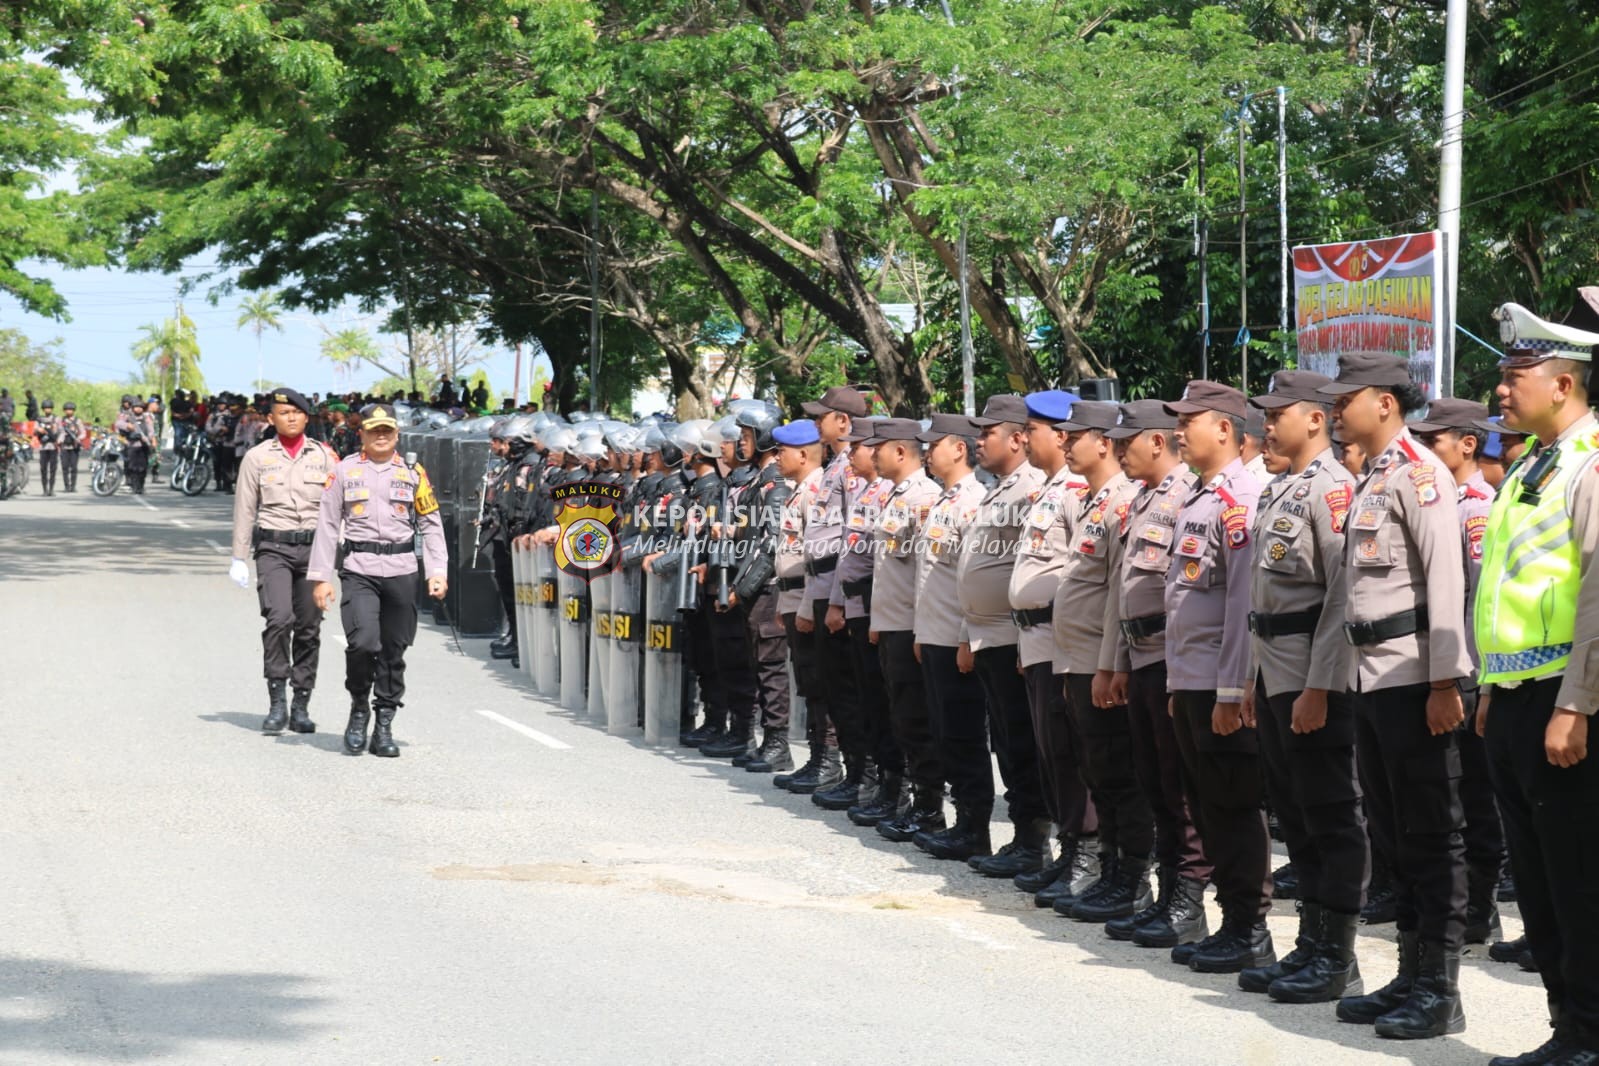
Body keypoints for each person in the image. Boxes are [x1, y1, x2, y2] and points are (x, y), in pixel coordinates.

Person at [1321, 351, 1472, 1040]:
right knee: (1394, 836)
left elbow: (1445, 583)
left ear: (1383, 401)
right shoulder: (1371, 477)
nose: (1334, 408)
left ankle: (1439, 989)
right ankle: (1410, 974)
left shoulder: (1420, 475)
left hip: (1414, 679)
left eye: (1346, 397)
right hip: (1371, 678)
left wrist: (1445, 680)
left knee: (1431, 836)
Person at [1476, 296, 1599, 1066]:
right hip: (1516, 698)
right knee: (1538, 880)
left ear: (1561, 383)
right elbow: (1504, 587)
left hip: (1564, 700)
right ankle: (1565, 1029)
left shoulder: (1588, 465)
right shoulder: (1532, 464)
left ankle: (1587, 1037)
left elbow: (1595, 593)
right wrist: (1492, 687)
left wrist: (1575, 705)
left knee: (1577, 880)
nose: (1500, 387)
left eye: (1516, 372)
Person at [1238, 370, 1368, 1004]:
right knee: (1295, 812)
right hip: (1272, 667)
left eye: (1277, 412)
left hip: (1312, 671)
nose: (1267, 423)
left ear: (1314, 419)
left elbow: (1342, 595)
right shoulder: (1277, 488)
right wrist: (1247, 680)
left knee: (1330, 814)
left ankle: (1339, 954)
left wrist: (1320, 685)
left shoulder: (1334, 490)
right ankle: (1312, 941)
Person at [1162, 379, 1274, 975]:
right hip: (1190, 676)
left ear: (1225, 429)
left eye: (1191, 420)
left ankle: (1250, 928)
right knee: (1207, 803)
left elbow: (1240, 606)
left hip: (1219, 682)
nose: (1180, 430)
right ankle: (1231, 921)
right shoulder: (1197, 496)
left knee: (1233, 805)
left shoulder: (1242, 498)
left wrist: (1233, 690)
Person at [1105, 399, 1213, 948]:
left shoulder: (1186, 496)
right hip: (1140, 655)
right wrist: (1119, 662)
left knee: (1179, 788)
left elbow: (1183, 592)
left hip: (1173, 659)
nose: (1119, 451)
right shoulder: (1141, 500)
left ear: (1155, 442)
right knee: (1155, 785)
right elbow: (1127, 589)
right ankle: (1167, 890)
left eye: (1128, 441)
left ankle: (1189, 902)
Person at [1409, 397, 1508, 947]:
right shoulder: (1443, 500)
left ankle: (1481, 902)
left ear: (1467, 444)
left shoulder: (1476, 508)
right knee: (1449, 794)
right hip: (1444, 668)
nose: (1424, 450)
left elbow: (1476, 598)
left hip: (1469, 670)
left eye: (1434, 440)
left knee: (1473, 793)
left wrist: (1471, 676)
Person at [1051, 398, 1150, 921]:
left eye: (1075, 436)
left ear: (1103, 443)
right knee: (1095, 769)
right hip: (1077, 656)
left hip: (1101, 658)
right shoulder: (1093, 502)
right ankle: (1110, 868)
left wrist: (1111, 664)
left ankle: (1131, 878)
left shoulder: (1122, 503)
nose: (1065, 444)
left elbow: (1119, 593)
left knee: (1116, 771)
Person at [307, 403, 449, 757]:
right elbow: (326, 525)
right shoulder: (343, 472)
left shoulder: (414, 474)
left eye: (388, 430)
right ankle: (359, 709)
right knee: (363, 644)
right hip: (359, 569)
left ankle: (384, 722)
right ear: (363, 434)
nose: (381, 436)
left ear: (397, 434)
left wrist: (438, 571)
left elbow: (431, 524)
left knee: (393, 651)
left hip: (402, 569)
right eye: (375, 430)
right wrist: (321, 577)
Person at [947, 394, 1050, 867]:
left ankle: (1033, 841)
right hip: (989, 635)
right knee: (1006, 743)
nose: (978, 440)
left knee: (1022, 744)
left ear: (1016, 437)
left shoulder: (1032, 488)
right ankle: (1022, 838)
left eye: (986, 432)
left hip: (1013, 638)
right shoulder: (999, 488)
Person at [230, 389, 341, 734]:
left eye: (296, 412)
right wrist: (238, 556)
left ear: (306, 417)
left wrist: (343, 549)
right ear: (272, 418)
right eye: (283, 412)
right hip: (274, 548)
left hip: (314, 551)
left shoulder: (325, 456)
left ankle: (301, 703)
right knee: (279, 619)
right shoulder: (258, 457)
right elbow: (245, 508)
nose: (290, 418)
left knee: (309, 627)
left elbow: (340, 504)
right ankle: (277, 701)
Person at [904, 413, 987, 848]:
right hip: (933, 635)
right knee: (944, 734)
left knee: (964, 736)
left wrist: (964, 636)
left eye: (934, 444)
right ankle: (961, 824)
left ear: (959, 448)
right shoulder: (943, 500)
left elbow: (970, 578)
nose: (927, 452)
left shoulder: (973, 501)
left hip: (956, 638)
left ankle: (975, 830)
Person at [862, 418, 942, 826]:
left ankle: (927, 805)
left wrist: (917, 627)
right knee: (899, 716)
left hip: (911, 625)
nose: (871, 453)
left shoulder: (924, 497)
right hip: (892, 623)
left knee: (916, 718)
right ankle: (903, 796)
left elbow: (925, 570)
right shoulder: (896, 496)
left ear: (900, 452)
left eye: (879, 447)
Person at [116, 398, 156, 494]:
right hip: (132, 445)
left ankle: (140, 486)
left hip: (144, 445)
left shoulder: (146, 417)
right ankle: (134, 486)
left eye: (140, 407)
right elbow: (118, 423)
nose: (138, 409)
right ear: (133, 408)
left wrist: (151, 440)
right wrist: (127, 426)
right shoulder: (127, 416)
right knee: (133, 467)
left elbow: (151, 430)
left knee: (143, 467)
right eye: (136, 407)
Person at [34, 399, 60, 496]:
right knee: (43, 469)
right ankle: (44, 489)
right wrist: (39, 430)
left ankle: (51, 489)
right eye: (45, 408)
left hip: (53, 446)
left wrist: (58, 440)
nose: (47, 410)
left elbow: (61, 431)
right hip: (43, 447)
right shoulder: (39, 420)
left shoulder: (56, 419)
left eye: (49, 408)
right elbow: (34, 430)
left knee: (53, 469)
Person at [58, 402, 84, 492]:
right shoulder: (61, 421)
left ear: (73, 411)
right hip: (64, 447)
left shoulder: (78, 421)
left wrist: (78, 438)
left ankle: (73, 486)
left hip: (74, 447)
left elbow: (83, 433)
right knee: (65, 467)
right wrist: (60, 439)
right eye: (67, 410)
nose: (69, 411)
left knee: (74, 467)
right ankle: (66, 486)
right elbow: (59, 432)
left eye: (70, 410)